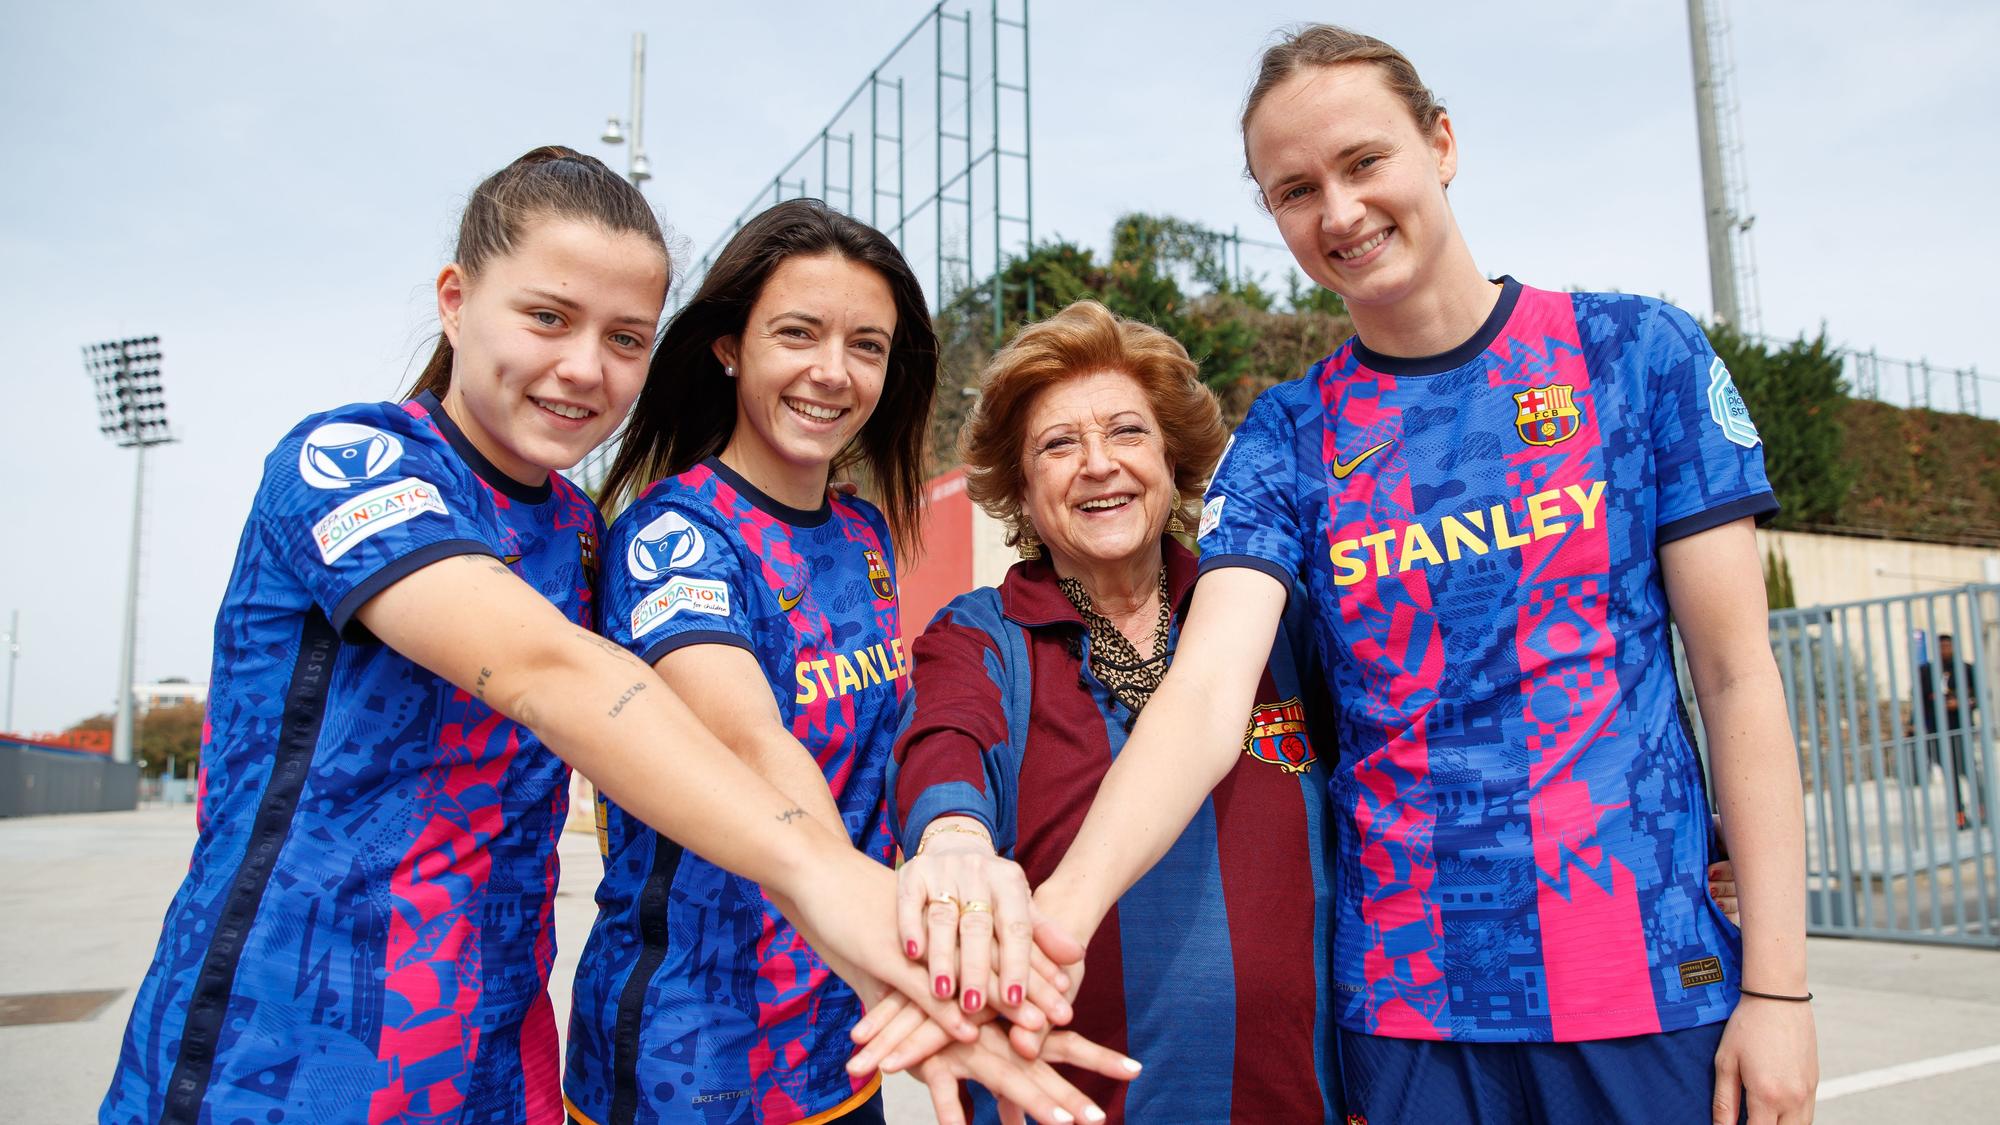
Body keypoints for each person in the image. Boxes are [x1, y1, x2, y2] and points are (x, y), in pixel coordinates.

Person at [918, 26, 1813, 1125]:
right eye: (1294, 190)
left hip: (1640, 983)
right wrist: (1056, 924)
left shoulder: (1636, 356)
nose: (1337, 213)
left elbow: (1735, 681)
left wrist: (1777, 986)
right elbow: (1202, 698)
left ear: (1438, 143)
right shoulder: (1288, 438)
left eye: (1362, 163)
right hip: (1404, 1012)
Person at [100, 149, 1102, 1125]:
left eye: (625, 338)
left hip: (498, 1056)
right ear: (455, 298)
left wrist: (941, 934)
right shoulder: (351, 467)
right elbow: (562, 679)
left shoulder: (579, 533)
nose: (584, 368)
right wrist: (848, 901)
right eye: (547, 317)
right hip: (280, 1064)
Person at [563, 201, 1120, 1125]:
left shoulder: (861, 531)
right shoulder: (674, 534)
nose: (834, 371)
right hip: (690, 1053)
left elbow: (874, 760)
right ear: (729, 346)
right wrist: (903, 966)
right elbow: (749, 741)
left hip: (844, 1040)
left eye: (867, 344)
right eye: (798, 333)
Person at [865, 300, 1339, 1122]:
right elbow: (946, 745)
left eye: (1127, 432)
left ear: (1174, 457)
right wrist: (952, 842)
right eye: (1057, 444)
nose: (1097, 464)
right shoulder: (985, 636)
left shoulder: (1274, 619)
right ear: (1018, 486)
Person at [1917, 634, 1986, 829]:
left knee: (1971, 771)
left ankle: (1983, 811)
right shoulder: (1926, 672)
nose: (1944, 650)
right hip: (1938, 732)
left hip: (1961, 730)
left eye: (1948, 646)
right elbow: (1920, 702)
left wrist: (1962, 703)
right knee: (1951, 776)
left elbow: (1978, 698)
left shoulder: (1966, 670)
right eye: (1941, 646)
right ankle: (1960, 817)